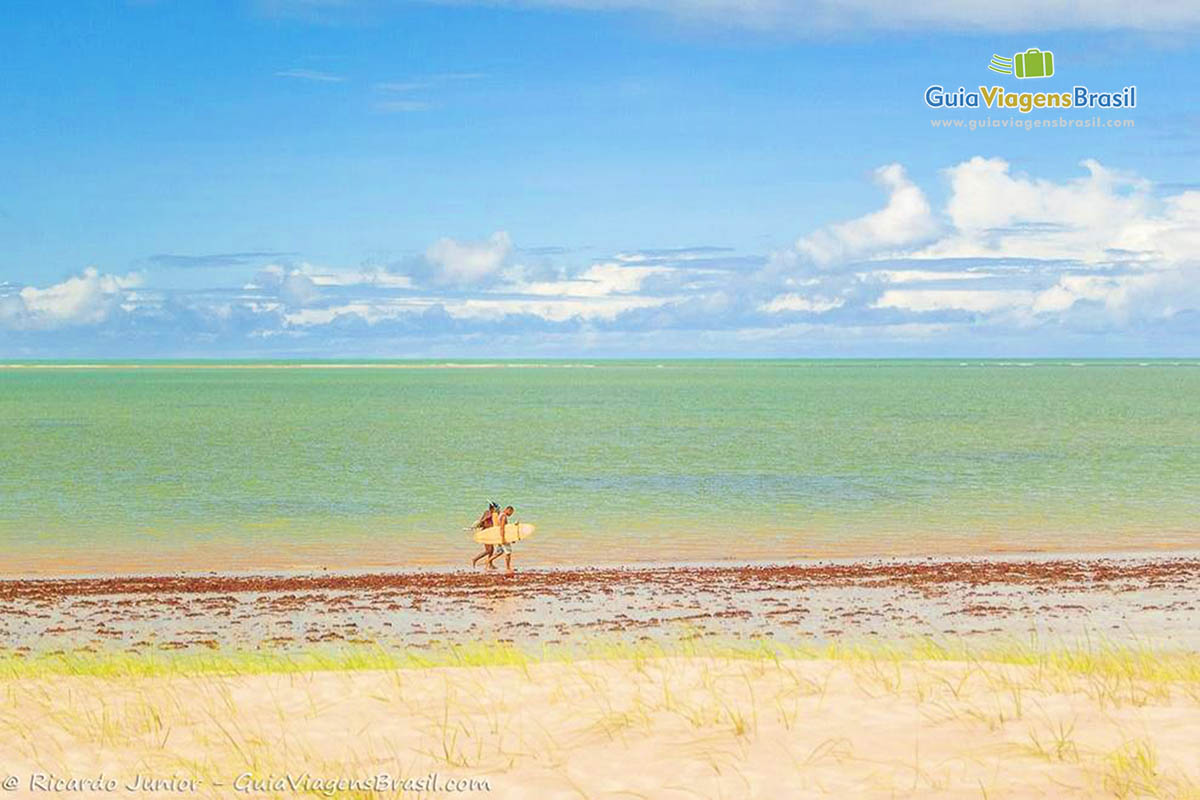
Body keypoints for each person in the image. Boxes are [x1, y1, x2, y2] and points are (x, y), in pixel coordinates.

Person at [485, 505, 516, 575]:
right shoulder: (504, 517)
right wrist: (503, 539)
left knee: (499, 552)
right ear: (508, 510)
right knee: (508, 553)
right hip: (503, 537)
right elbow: (502, 528)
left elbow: (504, 527)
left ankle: (488, 561)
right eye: (511, 513)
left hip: (499, 536)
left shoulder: (500, 515)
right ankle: (508, 568)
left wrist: (512, 537)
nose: (511, 515)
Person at [470, 502, 500, 568]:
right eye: (497, 509)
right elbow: (482, 521)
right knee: (488, 550)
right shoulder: (488, 513)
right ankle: (475, 559)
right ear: (492, 508)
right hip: (485, 533)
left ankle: (490, 564)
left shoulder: (494, 514)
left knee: (492, 549)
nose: (498, 510)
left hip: (490, 533)